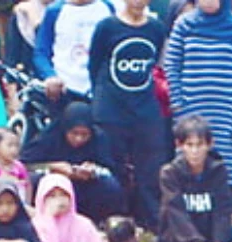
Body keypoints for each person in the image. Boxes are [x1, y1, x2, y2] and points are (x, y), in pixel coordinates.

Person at [88, 0, 168, 229]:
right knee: (113, 167)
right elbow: (94, 65)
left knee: (151, 168)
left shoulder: (156, 28)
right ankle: (115, 221)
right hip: (111, 108)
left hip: (145, 107)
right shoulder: (107, 26)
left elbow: (157, 65)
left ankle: (152, 223)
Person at [164, 0, 232, 187]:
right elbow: (171, 66)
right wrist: (179, 104)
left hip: (228, 114)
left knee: (227, 175)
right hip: (191, 111)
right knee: (189, 170)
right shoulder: (185, 25)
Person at [20, 101, 125, 224]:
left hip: (86, 186)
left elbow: (111, 168)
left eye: (84, 134)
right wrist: (53, 167)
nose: (78, 139)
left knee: (110, 186)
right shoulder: (51, 136)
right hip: (55, 183)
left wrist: (93, 170)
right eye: (74, 133)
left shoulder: (99, 139)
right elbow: (25, 164)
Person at [33, 0, 114, 101]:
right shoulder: (55, 11)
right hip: (65, 88)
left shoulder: (107, 8)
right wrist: (50, 76)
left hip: (101, 88)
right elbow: (41, 52)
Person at [0, 127, 31, 203]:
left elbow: (28, 185)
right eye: (10, 145)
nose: (14, 150)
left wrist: (27, 203)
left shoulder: (19, 167)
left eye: (16, 145)